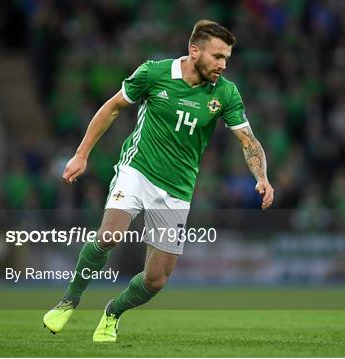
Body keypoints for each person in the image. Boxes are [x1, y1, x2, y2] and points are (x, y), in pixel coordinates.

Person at [43, 19, 274, 342]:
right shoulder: (154, 73)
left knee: (156, 280)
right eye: (217, 57)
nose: (223, 65)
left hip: (178, 188)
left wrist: (262, 177)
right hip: (137, 170)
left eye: (226, 59)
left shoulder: (225, 93)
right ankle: (68, 301)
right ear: (195, 51)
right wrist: (82, 154)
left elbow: (248, 141)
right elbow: (112, 108)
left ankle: (113, 312)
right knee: (109, 236)